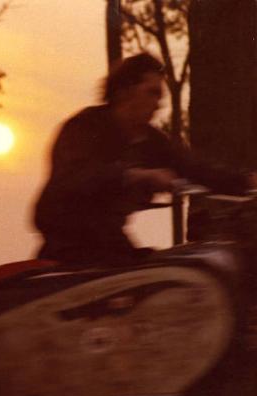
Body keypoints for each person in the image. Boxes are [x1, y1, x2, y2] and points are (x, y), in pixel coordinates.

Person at [33, 52, 255, 267]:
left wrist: (246, 181)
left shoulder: (151, 141)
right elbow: (76, 178)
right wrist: (136, 176)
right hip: (67, 249)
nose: (158, 104)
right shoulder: (84, 127)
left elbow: (195, 168)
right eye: (152, 93)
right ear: (123, 92)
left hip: (110, 244)